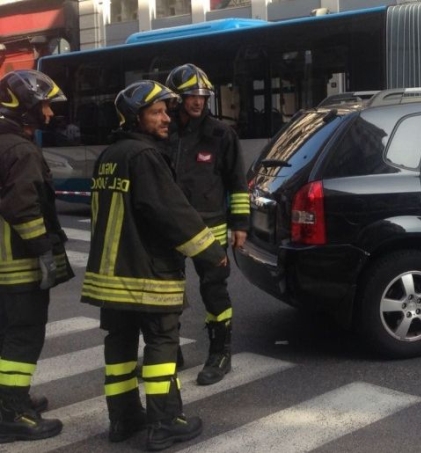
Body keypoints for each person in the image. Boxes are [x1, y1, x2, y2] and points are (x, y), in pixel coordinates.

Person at [80, 80, 227, 450]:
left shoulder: (109, 155)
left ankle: (124, 419)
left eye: (166, 111)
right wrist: (211, 252)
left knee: (119, 345)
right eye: (157, 112)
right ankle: (165, 423)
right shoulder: (144, 157)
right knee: (162, 342)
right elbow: (171, 213)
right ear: (135, 116)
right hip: (147, 273)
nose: (166, 118)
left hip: (109, 276)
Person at [0, 69, 73, 443]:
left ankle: (7, 401)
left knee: (4, 335)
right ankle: (12, 412)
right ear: (24, 107)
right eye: (43, 106)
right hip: (17, 264)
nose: (48, 115)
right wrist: (44, 251)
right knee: (23, 337)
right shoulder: (21, 150)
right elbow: (24, 208)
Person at [165, 64, 249, 386]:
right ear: (177, 98)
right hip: (171, 228)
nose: (198, 102)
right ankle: (168, 351)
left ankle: (220, 354)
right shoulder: (164, 133)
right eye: (190, 96)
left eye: (202, 95)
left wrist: (240, 224)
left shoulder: (220, 135)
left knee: (214, 292)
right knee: (167, 292)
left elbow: (237, 183)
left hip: (210, 229)